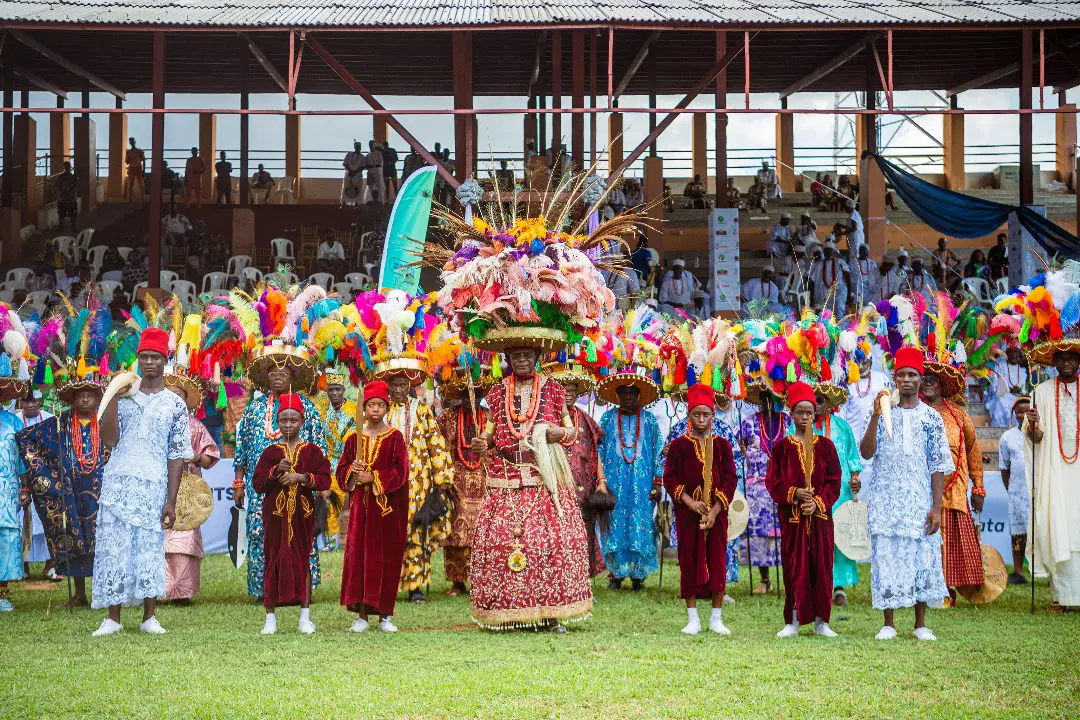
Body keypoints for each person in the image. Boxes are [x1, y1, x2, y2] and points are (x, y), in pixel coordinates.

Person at [469, 344, 592, 631]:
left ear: (537, 358)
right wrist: (482, 443)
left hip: (544, 479)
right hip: (506, 477)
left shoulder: (553, 390)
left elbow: (573, 431)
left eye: (527, 356)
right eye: (515, 356)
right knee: (499, 543)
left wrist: (559, 433)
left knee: (548, 546)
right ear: (507, 359)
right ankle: (508, 612)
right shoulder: (497, 393)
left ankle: (551, 615)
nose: (521, 360)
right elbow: (488, 435)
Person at [91, 328, 193, 636]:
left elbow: (177, 454)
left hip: (154, 485)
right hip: (118, 483)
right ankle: (113, 618)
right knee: (114, 547)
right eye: (144, 357)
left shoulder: (174, 404)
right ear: (138, 360)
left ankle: (149, 617)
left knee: (149, 548)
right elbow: (110, 440)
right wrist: (111, 399)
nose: (149, 362)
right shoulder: (123, 398)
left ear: (165, 361)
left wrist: (171, 500)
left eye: (155, 357)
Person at [859, 347, 950, 641]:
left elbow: (938, 465)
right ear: (894, 379)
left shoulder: (931, 418)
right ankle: (889, 623)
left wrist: (936, 508)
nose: (907, 380)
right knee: (887, 556)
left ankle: (920, 624)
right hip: (885, 498)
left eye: (912, 375)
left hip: (918, 499)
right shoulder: (884, 411)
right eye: (901, 375)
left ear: (921, 379)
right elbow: (866, 451)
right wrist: (875, 416)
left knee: (922, 557)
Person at [233, 347, 327, 603]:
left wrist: (318, 484)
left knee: (299, 533)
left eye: (282, 373)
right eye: (272, 373)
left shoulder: (306, 407)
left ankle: (300, 588)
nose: (277, 378)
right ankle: (263, 589)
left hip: (300, 485)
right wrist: (239, 482)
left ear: (292, 377)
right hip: (262, 485)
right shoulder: (254, 409)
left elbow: (320, 447)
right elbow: (242, 447)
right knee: (260, 532)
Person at [19, 366, 108, 607]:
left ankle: (105, 594)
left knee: (105, 541)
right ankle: (79, 594)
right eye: (80, 395)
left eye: (90, 394)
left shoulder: (107, 420)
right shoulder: (62, 423)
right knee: (76, 539)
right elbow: (27, 438)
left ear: (99, 397)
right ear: (73, 399)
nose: (86, 398)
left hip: (105, 492)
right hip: (72, 492)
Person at [767, 383, 842, 638]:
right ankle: (792, 621)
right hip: (793, 520)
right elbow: (773, 482)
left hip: (820, 519)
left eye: (809, 413)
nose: (805, 417)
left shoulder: (826, 447)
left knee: (821, 567)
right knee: (793, 568)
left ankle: (822, 622)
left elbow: (834, 481)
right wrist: (795, 494)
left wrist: (818, 502)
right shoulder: (782, 448)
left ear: (815, 414)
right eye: (800, 412)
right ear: (792, 413)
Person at [253, 393, 332, 635]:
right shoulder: (270, 453)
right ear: (277, 422)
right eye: (283, 420)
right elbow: (257, 484)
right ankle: (270, 618)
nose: (288, 425)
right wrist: (276, 470)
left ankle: (304, 617)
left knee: (303, 559)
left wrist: (301, 477)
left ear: (302, 422)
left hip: (302, 515)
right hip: (275, 515)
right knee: (272, 558)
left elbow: (325, 479)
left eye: (293, 420)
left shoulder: (312, 451)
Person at [662, 384, 738, 635]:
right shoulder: (678, 446)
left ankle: (716, 618)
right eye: (697, 414)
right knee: (689, 560)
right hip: (688, 514)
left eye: (706, 414)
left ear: (713, 415)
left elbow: (730, 478)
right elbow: (670, 479)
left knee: (718, 560)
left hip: (717, 514)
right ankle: (692, 617)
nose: (702, 419)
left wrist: (716, 509)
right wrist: (690, 502)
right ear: (689, 415)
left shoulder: (723, 446)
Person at [336, 380, 409, 632]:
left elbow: (401, 472)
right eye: (370, 405)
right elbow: (340, 472)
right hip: (361, 511)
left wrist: (374, 477)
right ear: (363, 409)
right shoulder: (353, 439)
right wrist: (352, 473)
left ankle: (385, 616)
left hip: (386, 511)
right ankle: (361, 616)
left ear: (387, 408)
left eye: (380, 405)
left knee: (385, 559)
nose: (375, 410)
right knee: (360, 559)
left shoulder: (396, 438)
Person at [384, 372, 452, 603]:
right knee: (388, 534)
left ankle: (415, 587)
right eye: (394, 386)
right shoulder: (381, 410)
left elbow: (435, 443)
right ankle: (388, 585)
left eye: (403, 385)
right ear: (388, 386)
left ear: (409, 386)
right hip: (387, 484)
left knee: (416, 532)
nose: (398, 390)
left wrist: (441, 477)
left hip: (419, 482)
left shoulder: (422, 410)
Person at [1023, 344, 1080, 612]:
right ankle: (1062, 598)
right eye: (1061, 359)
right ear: (1054, 362)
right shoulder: (1041, 392)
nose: (1066, 363)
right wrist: (1033, 423)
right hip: (1054, 468)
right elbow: (1036, 438)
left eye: (1071, 359)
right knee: (1059, 525)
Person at [597, 373, 663, 590]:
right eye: (623, 393)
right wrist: (601, 480)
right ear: (616, 396)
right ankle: (616, 574)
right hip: (613, 484)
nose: (627, 397)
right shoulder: (607, 419)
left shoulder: (650, 420)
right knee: (614, 525)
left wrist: (657, 482)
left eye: (632, 393)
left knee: (641, 525)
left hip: (642, 485)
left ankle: (638, 575)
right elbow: (598, 449)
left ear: (638, 396)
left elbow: (658, 451)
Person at [803, 384, 863, 607]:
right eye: (812, 400)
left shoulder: (842, 427)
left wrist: (855, 478)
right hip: (810, 490)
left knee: (838, 536)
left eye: (820, 400)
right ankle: (813, 584)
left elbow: (852, 456)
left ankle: (838, 587)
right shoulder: (799, 426)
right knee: (811, 536)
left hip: (839, 491)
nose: (816, 405)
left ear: (828, 403)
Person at [163, 373, 219, 605]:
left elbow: (211, 455)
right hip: (158, 487)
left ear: (185, 399)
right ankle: (158, 589)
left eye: (178, 396)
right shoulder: (153, 422)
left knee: (184, 539)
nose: (174, 399)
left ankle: (183, 592)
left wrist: (195, 458)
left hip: (188, 490)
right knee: (159, 540)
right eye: (169, 395)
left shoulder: (195, 426)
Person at [434, 377, 490, 593]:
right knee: (455, 532)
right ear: (458, 395)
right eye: (466, 394)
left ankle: (481, 580)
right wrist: (443, 477)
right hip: (455, 482)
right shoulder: (446, 417)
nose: (471, 399)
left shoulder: (489, 417)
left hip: (484, 479)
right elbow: (438, 447)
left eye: (476, 394)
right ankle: (457, 582)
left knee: (482, 533)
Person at [551, 366, 606, 578]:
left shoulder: (584, 417)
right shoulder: (548, 418)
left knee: (585, 528)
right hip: (557, 485)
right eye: (564, 390)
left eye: (573, 390)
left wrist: (601, 480)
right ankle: (560, 575)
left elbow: (595, 451)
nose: (569, 394)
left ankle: (581, 575)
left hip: (584, 485)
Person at [738, 385, 788, 594]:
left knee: (784, 534)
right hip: (756, 489)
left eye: (771, 397)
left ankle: (789, 580)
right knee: (758, 534)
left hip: (783, 486)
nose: (767, 402)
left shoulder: (789, 421)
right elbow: (737, 446)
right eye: (763, 397)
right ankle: (764, 579)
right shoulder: (748, 423)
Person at [315, 370, 354, 550]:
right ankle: (328, 541)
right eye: (331, 390)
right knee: (326, 499)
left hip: (348, 462)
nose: (334, 393)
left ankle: (342, 542)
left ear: (343, 389)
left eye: (338, 389)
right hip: (326, 462)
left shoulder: (354, 409)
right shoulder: (323, 408)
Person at [998, 396, 1031, 585]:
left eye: (1027, 411)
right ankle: (1018, 572)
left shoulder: (1042, 433)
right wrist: (1010, 490)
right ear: (1014, 414)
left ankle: (1050, 573)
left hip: (1040, 492)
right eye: (1019, 412)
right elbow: (1004, 467)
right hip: (1017, 492)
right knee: (1018, 533)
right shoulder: (1007, 437)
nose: (1023, 415)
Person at [987, 347, 1030, 428]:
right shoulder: (1000, 365)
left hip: (1018, 396)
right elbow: (996, 386)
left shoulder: (1022, 370)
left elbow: (1024, 389)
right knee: (1002, 400)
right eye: (1012, 354)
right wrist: (1009, 390)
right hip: (1003, 394)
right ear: (1007, 354)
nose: (1014, 356)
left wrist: (1020, 390)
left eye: (1016, 354)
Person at [810, 240, 850, 315]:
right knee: (823, 315)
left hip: (838, 292)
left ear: (833, 251)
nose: (828, 252)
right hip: (823, 294)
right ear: (824, 252)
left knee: (838, 311)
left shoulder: (840, 262)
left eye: (830, 250)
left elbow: (848, 278)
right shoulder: (819, 264)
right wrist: (811, 298)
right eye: (826, 250)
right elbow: (812, 282)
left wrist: (849, 294)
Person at [56, 161, 79, 232]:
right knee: (61, 214)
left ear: (70, 167)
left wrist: (70, 193)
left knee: (73, 214)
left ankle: (73, 227)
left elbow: (76, 186)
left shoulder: (74, 177)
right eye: (66, 166)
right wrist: (62, 194)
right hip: (63, 199)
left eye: (68, 166)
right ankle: (61, 227)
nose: (67, 168)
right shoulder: (60, 177)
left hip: (71, 198)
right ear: (64, 168)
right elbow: (57, 187)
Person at [341, 141, 366, 207]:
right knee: (345, 188)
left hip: (357, 175)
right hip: (348, 174)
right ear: (354, 147)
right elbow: (345, 163)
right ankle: (343, 203)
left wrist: (354, 172)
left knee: (357, 188)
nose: (358, 148)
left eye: (359, 147)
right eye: (357, 147)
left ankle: (356, 203)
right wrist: (350, 171)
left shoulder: (362, 157)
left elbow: (363, 166)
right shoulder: (349, 154)